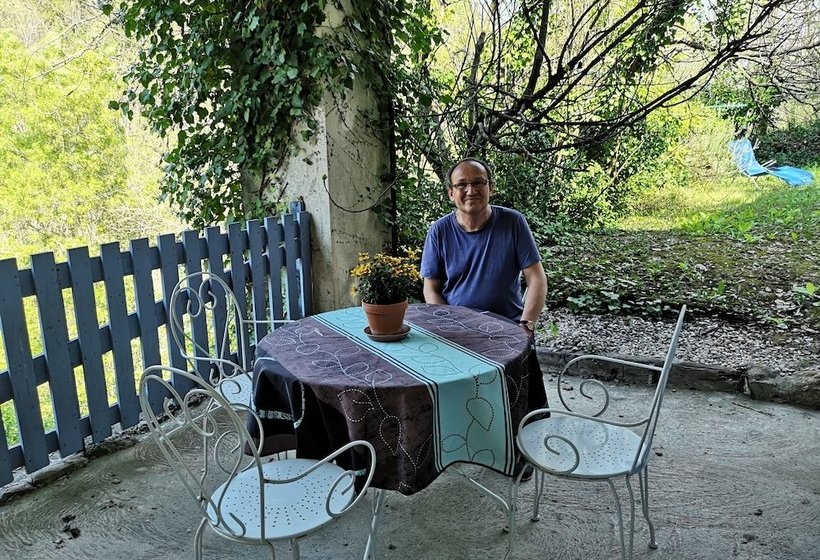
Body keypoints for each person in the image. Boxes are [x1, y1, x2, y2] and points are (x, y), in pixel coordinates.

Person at [420, 157, 548, 481]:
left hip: (506, 326)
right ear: (451, 193)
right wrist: (445, 324)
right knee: (446, 390)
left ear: (490, 187)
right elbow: (431, 287)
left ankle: (520, 455)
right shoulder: (439, 231)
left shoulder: (512, 223)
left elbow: (536, 279)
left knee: (516, 395)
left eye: (478, 182)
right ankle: (454, 446)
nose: (471, 190)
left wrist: (527, 325)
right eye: (462, 184)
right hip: (457, 329)